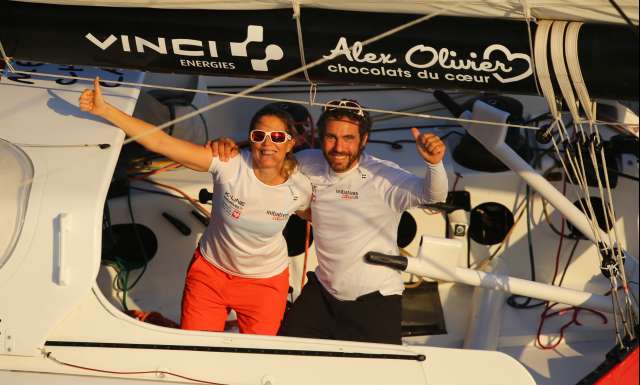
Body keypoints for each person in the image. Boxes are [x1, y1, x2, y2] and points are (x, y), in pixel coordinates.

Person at [79, 78, 312, 335]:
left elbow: (321, 214)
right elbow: (161, 143)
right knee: (195, 350)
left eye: (277, 137)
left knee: (258, 360)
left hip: (265, 285)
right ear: (251, 140)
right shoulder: (229, 164)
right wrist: (105, 110)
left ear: (291, 143)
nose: (268, 144)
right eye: (259, 136)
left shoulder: (300, 187)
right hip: (210, 276)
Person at [209, 98, 448, 344]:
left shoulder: (384, 177)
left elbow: (433, 195)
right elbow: (270, 160)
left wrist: (434, 163)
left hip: (375, 301)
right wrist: (230, 149)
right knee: (281, 355)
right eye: (331, 137)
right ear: (321, 136)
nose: (338, 147)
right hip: (323, 294)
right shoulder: (309, 162)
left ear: (364, 140)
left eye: (348, 138)